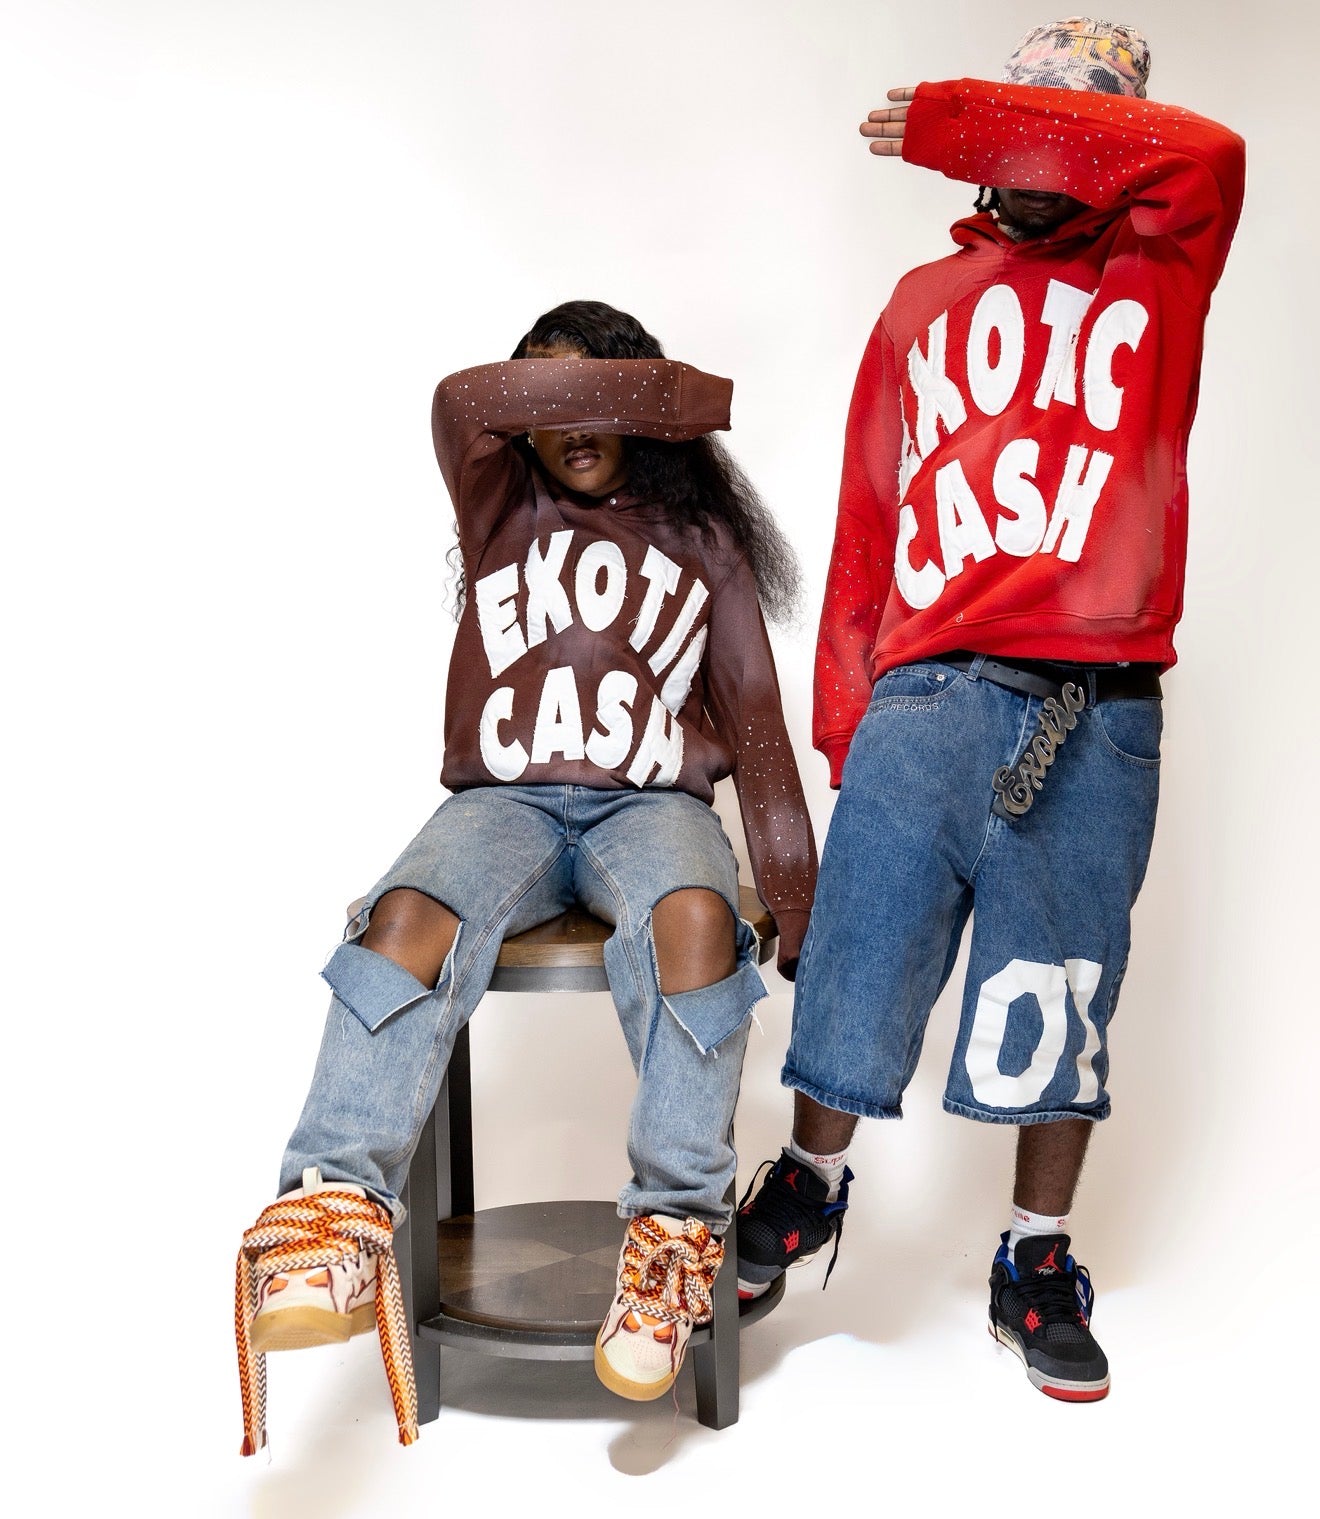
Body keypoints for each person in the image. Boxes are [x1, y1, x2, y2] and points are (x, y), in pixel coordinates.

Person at [734, 18, 1244, 1402]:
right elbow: (866, 521)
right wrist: (849, 727)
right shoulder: (921, 301)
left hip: (1094, 702)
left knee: (1061, 988)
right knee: (859, 959)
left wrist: (969, 116)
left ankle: (1035, 1255)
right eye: (1020, 125)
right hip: (928, 687)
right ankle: (808, 1184)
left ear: (1110, 154)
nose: (1032, 155)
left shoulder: (1162, 272)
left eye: (1063, 132)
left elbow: (1209, 152)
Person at [234, 299, 818, 1452]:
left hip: (653, 805)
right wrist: (620, 384)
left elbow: (756, 725)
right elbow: (463, 400)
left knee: (696, 922)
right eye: (551, 398)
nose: (577, 421)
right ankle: (334, 1207)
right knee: (406, 916)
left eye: (603, 392)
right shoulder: (499, 496)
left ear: (643, 409)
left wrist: (797, 899)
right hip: (498, 803)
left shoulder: (701, 536)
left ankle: (672, 1243)